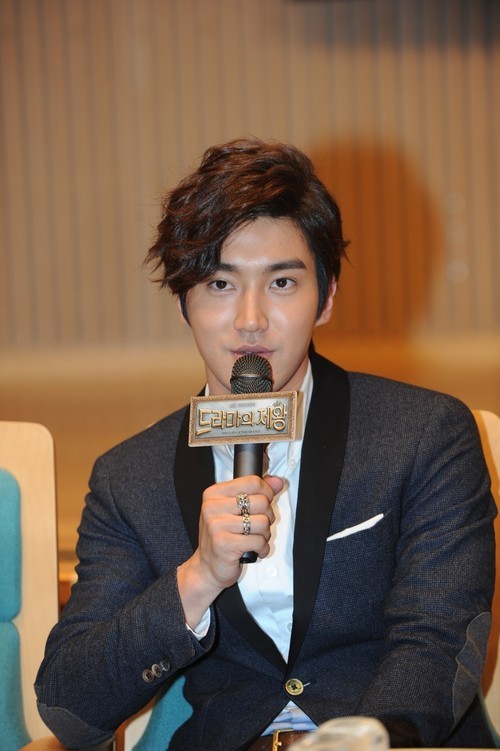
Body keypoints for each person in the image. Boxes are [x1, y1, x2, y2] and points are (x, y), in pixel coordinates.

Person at [35, 138, 497, 750]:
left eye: (281, 282)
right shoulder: (130, 477)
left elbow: (436, 643)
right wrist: (197, 577)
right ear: (183, 302)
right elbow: (70, 709)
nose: (250, 319)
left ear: (325, 297)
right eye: (220, 284)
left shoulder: (425, 433)